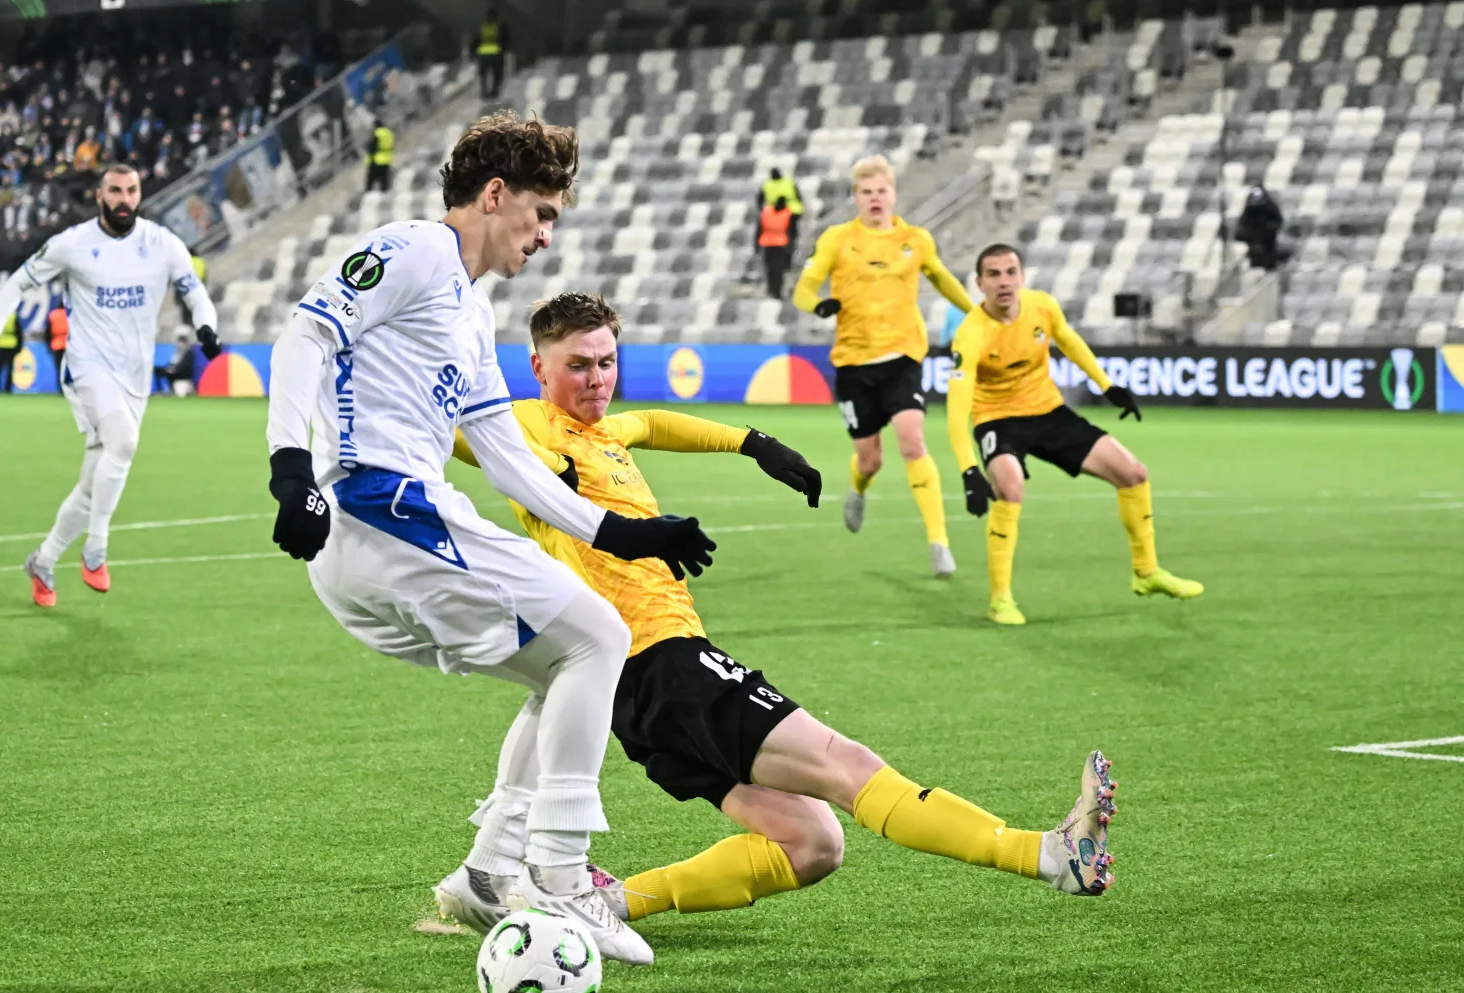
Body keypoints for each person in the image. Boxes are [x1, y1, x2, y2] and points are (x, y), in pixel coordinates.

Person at [434, 291, 1118, 938]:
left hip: (640, 692)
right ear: (536, 368)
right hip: (659, 662)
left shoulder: (609, 432)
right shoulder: (521, 425)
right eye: (577, 365)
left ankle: (603, 903)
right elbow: (450, 426)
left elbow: (657, 423)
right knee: (847, 765)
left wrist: (754, 443)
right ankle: (1051, 855)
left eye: (606, 361)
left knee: (812, 844)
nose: (595, 379)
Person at [263, 112, 717, 966]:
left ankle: (486, 873)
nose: (545, 237)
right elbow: (306, 334)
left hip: (381, 538)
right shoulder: (418, 251)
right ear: (495, 193)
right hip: (380, 508)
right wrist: (290, 468)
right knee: (601, 639)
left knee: (564, 667)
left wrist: (625, 530)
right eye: (540, 214)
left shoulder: (470, 308)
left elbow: (505, 453)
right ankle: (557, 877)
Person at [0, 164, 223, 608]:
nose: (124, 199)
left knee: (92, 484)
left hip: (135, 374)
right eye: (115, 191)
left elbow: (194, 290)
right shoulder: (73, 244)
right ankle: (96, 548)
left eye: (131, 190)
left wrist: (206, 327)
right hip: (86, 366)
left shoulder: (161, 244)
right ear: (99, 196)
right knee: (123, 444)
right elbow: (18, 282)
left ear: (140, 194)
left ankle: (43, 562)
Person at [946, 244, 1204, 625]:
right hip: (997, 419)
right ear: (979, 283)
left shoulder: (1042, 306)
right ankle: (1000, 600)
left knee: (1133, 473)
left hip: (1049, 412)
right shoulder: (970, 335)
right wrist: (969, 469)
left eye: (1010, 272)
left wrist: (1106, 385)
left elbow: (1068, 339)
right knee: (1011, 487)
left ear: (1022, 276)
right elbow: (956, 409)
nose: (1004, 282)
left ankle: (1146, 573)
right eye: (994, 274)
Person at [793, 154, 973, 578]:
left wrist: (976, 313)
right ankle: (858, 488)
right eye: (866, 191)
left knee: (913, 442)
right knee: (870, 459)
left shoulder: (916, 239)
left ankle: (939, 542)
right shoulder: (838, 239)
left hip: (903, 358)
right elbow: (803, 287)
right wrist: (818, 304)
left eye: (881, 191)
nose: (875, 198)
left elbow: (943, 279)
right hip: (854, 365)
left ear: (893, 194)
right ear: (856, 197)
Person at [756, 167, 804, 253]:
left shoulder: (767, 184)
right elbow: (798, 196)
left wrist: (762, 211)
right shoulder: (788, 182)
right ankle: (792, 244)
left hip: (777, 212)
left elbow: (759, 199)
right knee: (790, 231)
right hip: (790, 210)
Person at [756, 195, 792, 300]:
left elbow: (759, 229)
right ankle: (776, 291)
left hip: (767, 243)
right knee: (778, 270)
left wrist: (756, 245)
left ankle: (771, 289)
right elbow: (791, 232)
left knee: (770, 269)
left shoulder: (766, 212)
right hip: (780, 244)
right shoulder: (787, 214)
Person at [472, 8, 510, 99]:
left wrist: (473, 51)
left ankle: (484, 92)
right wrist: (505, 49)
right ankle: (494, 92)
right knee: (498, 73)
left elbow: (477, 40)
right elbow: (504, 40)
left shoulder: (483, 27)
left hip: (483, 53)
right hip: (496, 52)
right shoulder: (499, 26)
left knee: (483, 74)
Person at [0, 311, 20, 393]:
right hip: (11, 344)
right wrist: (19, 346)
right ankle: (8, 389)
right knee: (9, 369)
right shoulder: (13, 316)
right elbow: (18, 332)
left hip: (0, 344)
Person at [47, 301, 69, 395]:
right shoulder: (70, 313)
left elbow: (48, 332)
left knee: (59, 368)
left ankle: (61, 389)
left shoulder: (53, 315)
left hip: (57, 344)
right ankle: (70, 389)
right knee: (70, 369)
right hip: (70, 344)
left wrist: (49, 345)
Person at [367, 121, 395, 192]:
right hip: (387, 158)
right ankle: (384, 191)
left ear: (376, 126)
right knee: (384, 177)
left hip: (377, 158)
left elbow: (372, 146)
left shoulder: (377, 133)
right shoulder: (389, 133)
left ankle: (368, 192)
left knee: (371, 178)